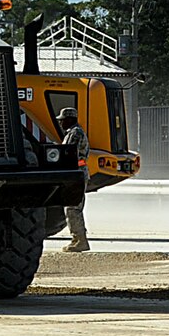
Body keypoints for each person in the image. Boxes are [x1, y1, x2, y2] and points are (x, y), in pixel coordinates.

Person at [58, 107, 91, 253]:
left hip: (75, 173)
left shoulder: (75, 133)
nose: (60, 123)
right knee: (73, 207)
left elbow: (69, 153)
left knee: (72, 208)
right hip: (77, 173)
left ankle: (79, 240)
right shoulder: (75, 132)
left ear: (69, 119)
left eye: (62, 120)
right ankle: (78, 239)